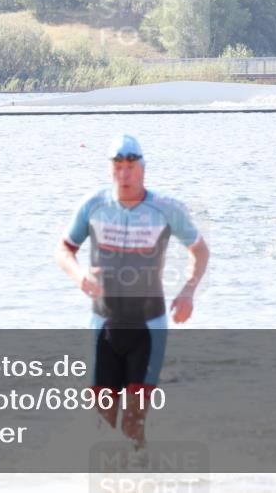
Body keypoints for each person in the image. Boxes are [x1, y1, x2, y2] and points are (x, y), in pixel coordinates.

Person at [55, 134, 210, 449]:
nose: (124, 175)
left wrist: (188, 292)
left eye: (131, 166)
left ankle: (140, 479)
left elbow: (200, 251)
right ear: (110, 169)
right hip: (104, 325)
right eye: (118, 167)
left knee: (133, 423)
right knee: (101, 422)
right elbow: (63, 249)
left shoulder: (166, 208)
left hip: (148, 327)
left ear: (143, 168)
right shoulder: (94, 205)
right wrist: (79, 274)